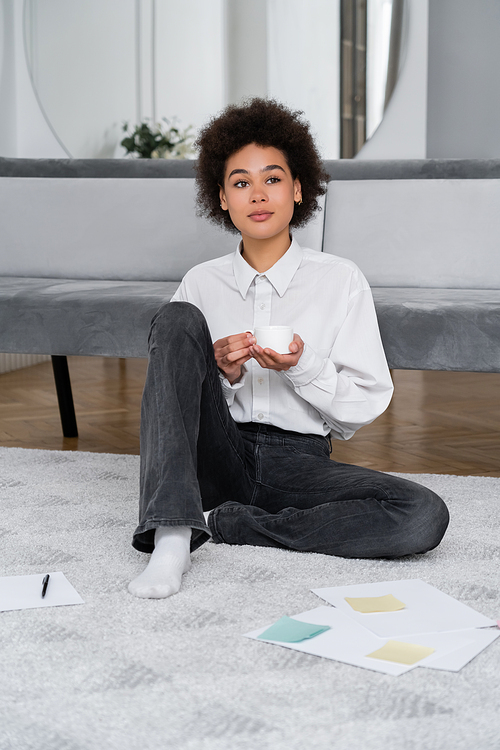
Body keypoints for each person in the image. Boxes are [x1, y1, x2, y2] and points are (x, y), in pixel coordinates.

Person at [128, 98, 449, 599]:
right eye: (241, 183)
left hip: (300, 463)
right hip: (217, 453)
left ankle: (230, 524)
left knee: (422, 514)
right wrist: (221, 373)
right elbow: (174, 403)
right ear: (223, 198)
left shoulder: (340, 279)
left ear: (298, 189)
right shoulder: (200, 282)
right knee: (175, 318)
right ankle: (172, 534)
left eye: (272, 179)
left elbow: (359, 407)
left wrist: (303, 368)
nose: (258, 194)